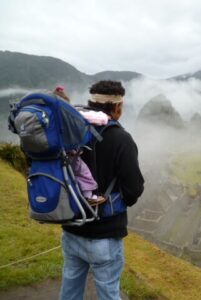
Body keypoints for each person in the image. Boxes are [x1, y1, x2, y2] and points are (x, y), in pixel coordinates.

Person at [60, 80, 145, 300]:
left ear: (91, 103)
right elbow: (134, 189)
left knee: (70, 287)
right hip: (105, 235)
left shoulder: (70, 131)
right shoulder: (121, 139)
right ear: (117, 107)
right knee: (108, 291)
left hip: (72, 228)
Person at [53, 86, 107, 205]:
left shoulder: (48, 119)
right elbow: (95, 118)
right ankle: (89, 196)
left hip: (52, 156)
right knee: (84, 173)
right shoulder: (67, 117)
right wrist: (104, 118)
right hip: (69, 154)